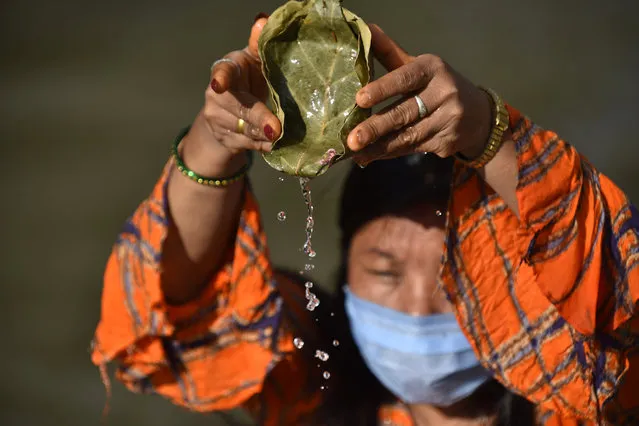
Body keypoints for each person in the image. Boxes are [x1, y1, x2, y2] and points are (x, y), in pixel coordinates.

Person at [91, 15, 639, 426]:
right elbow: (176, 314)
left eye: (456, 279)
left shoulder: (577, 395)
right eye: (386, 272)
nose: (421, 305)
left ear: (517, 290)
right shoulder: (314, 386)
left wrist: (489, 134)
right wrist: (216, 142)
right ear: (345, 276)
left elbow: (619, 291)